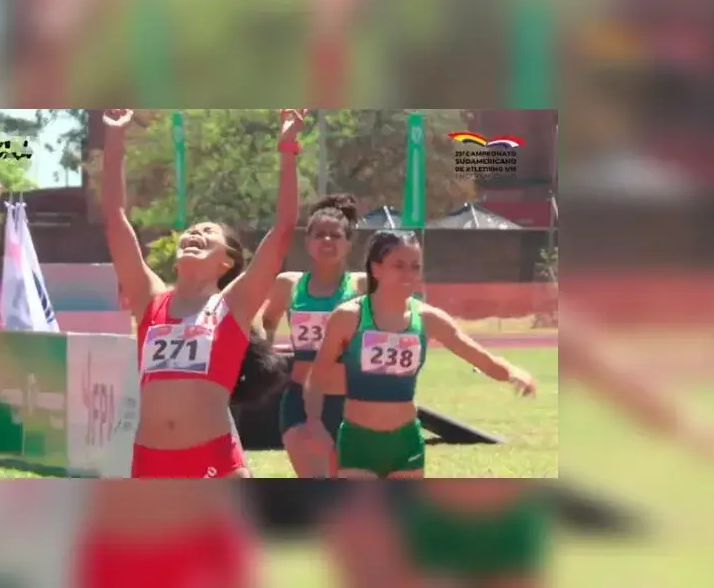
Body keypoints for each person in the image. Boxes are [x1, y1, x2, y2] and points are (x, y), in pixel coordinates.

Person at [73, 108, 306, 588]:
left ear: (227, 261)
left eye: (209, 234)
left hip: (212, 463)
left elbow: (283, 230)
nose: (195, 234)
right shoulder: (149, 299)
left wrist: (288, 149)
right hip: (146, 463)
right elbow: (116, 220)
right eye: (190, 232)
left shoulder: (234, 305)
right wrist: (115, 141)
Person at [305, 230, 537, 478]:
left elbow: (481, 359)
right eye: (399, 266)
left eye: (415, 267)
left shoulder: (429, 318)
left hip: (406, 444)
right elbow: (316, 377)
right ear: (376, 268)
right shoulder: (348, 317)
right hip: (358, 442)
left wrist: (513, 372)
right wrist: (314, 423)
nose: (409, 275)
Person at [261, 193, 365, 478]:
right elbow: (267, 321)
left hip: (351, 404)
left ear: (349, 242)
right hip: (299, 403)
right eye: (319, 235)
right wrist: (265, 361)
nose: (327, 241)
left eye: (335, 235)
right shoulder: (288, 285)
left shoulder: (363, 286)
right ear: (307, 242)